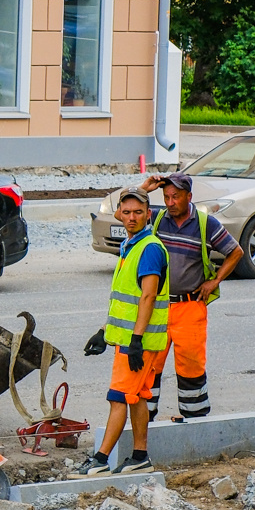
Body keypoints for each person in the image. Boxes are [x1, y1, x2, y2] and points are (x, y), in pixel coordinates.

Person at [139, 171, 241, 421]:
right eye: (166, 197)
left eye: (176, 197)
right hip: (159, 307)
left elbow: (235, 252)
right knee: (150, 367)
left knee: (192, 370)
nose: (170, 202)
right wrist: (144, 189)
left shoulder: (207, 224)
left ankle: (195, 425)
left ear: (189, 197)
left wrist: (215, 280)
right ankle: (144, 426)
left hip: (190, 308)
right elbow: (124, 212)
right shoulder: (158, 219)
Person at [80, 191, 169, 475]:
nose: (131, 217)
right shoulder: (130, 243)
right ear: (120, 213)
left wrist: (136, 341)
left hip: (138, 342)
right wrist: (104, 332)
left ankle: (100, 460)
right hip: (131, 339)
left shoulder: (149, 248)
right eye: (126, 212)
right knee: (138, 396)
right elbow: (126, 301)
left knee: (118, 397)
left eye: (138, 212)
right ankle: (140, 456)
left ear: (149, 215)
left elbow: (148, 297)